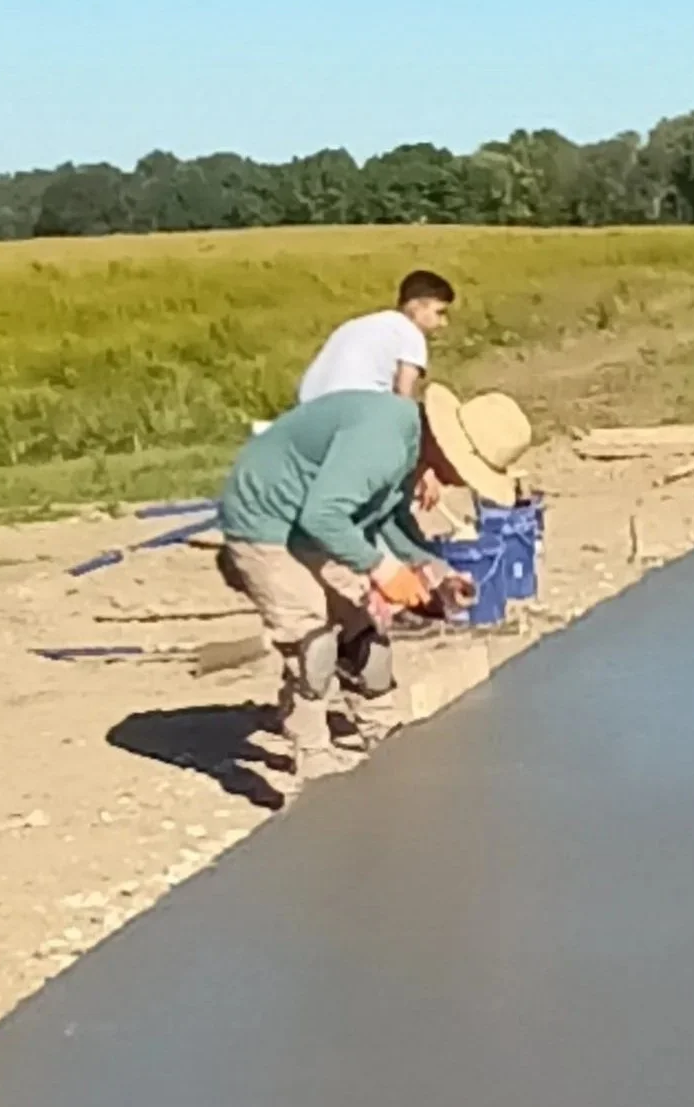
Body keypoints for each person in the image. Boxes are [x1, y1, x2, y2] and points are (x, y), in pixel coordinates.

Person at [215, 384, 532, 785]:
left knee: (365, 638)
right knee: (313, 643)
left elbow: (388, 518)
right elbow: (323, 516)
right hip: (266, 522)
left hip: (316, 525)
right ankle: (313, 756)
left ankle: (381, 730)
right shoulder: (383, 444)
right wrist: (384, 570)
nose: (458, 483)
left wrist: (435, 571)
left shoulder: (410, 447)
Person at [296, 270, 456, 403]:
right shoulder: (411, 332)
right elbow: (403, 393)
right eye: (439, 312)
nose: (443, 323)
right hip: (358, 406)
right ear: (415, 307)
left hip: (309, 408)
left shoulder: (355, 325)